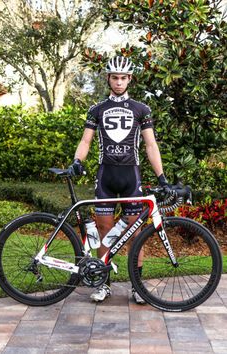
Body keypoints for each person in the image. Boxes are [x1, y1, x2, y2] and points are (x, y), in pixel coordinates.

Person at [68, 56, 171, 304]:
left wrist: (162, 177)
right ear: (108, 79)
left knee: (135, 233)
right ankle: (104, 284)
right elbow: (86, 141)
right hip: (106, 176)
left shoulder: (141, 109)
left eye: (123, 77)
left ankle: (137, 286)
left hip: (130, 177)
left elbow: (150, 144)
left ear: (129, 80)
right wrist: (77, 161)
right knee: (104, 232)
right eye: (114, 77)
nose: (118, 82)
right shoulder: (97, 109)